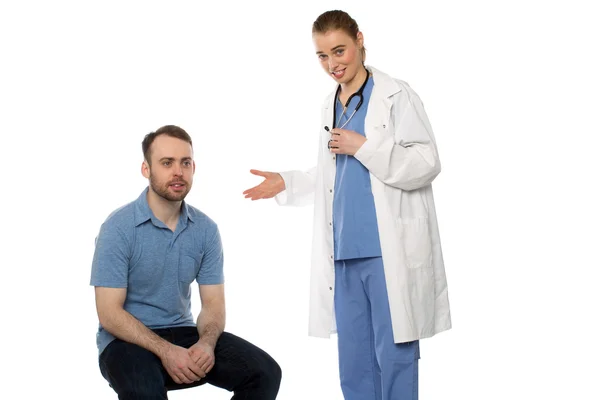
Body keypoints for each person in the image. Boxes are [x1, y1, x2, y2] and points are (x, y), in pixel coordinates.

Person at [243, 10, 451, 400]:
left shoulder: (395, 94)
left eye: (339, 51)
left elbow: (426, 162)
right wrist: (286, 182)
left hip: (387, 253)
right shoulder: (330, 104)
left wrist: (365, 147)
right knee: (353, 363)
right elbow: (331, 177)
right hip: (343, 254)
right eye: (322, 56)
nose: (332, 64)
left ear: (358, 40)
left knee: (395, 356)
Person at [91, 125, 281, 400]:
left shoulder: (205, 229)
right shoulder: (118, 228)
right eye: (166, 163)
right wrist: (165, 351)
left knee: (265, 373)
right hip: (125, 342)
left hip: (183, 332)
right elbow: (109, 313)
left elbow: (214, 304)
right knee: (144, 389)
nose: (178, 172)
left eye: (185, 163)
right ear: (146, 169)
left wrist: (206, 343)